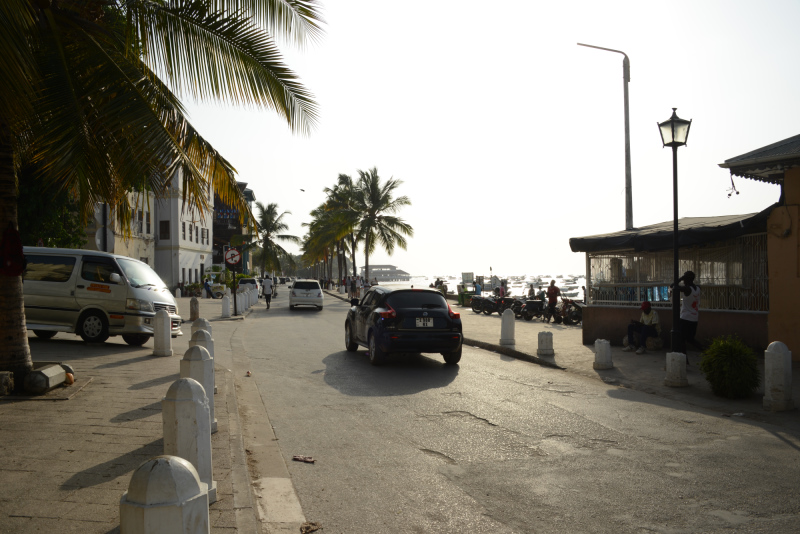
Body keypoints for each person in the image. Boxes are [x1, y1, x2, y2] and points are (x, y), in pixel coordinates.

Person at [672, 270, 701, 352]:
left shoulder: (687, 289)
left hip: (685, 318)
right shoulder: (698, 288)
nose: (683, 281)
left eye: (685, 278)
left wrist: (680, 278)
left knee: (681, 340)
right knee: (690, 339)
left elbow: (673, 286)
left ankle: (685, 360)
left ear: (687, 279)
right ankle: (707, 351)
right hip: (694, 318)